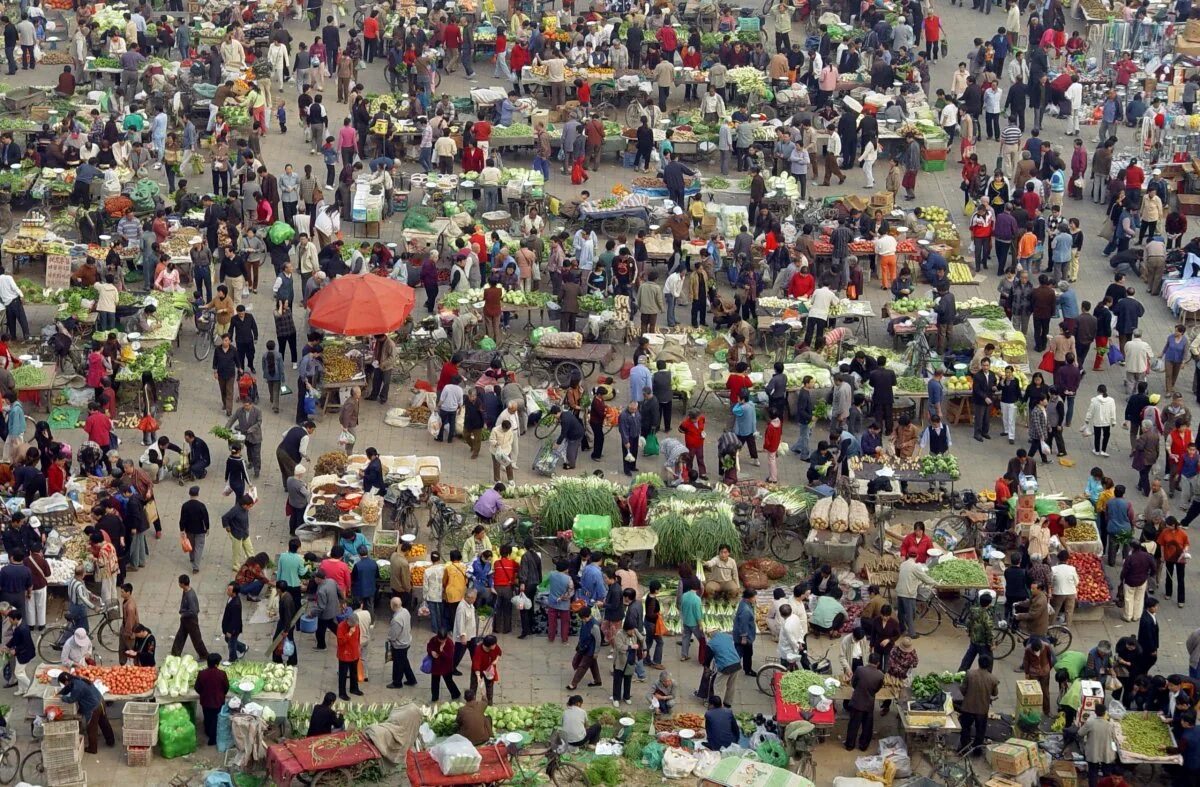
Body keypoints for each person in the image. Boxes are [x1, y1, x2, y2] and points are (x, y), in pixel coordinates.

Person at [57, 671, 115, 753]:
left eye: (63, 683)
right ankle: (111, 741)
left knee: (91, 728)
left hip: (94, 707)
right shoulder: (77, 679)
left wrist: (62, 698)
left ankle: (92, 748)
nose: (64, 685)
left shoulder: (77, 687)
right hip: (100, 701)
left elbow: (71, 699)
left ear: (66, 681)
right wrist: (60, 692)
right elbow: (68, 688)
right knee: (103, 721)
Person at [959, 653, 999, 754]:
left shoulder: (969, 674)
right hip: (982, 710)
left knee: (965, 729)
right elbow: (995, 693)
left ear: (978, 663)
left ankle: (964, 748)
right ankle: (977, 750)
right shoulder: (993, 679)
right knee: (980, 731)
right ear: (989, 665)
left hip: (968, 707)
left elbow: (963, 690)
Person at [845, 652, 885, 752]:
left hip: (857, 702)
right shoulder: (880, 675)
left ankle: (850, 745)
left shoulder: (859, 669)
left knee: (853, 725)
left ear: (868, 660)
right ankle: (863, 746)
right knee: (867, 726)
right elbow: (877, 688)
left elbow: (853, 683)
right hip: (869, 703)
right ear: (878, 663)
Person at [1079, 702, 1119, 785]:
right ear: (1105, 713)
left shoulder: (1090, 723)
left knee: (1093, 773)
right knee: (1106, 774)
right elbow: (1114, 738)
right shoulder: (1110, 724)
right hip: (1106, 753)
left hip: (1093, 752)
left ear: (1095, 712)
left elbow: (1080, 733)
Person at [195, 652, 229, 746]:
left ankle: (207, 731)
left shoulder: (202, 674)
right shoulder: (222, 674)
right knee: (215, 719)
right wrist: (222, 695)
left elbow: (197, 687)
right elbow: (226, 687)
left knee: (207, 717)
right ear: (216, 664)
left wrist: (203, 694)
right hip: (218, 701)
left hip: (205, 701)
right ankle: (213, 739)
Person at [171, 574, 208, 658]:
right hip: (185, 619)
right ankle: (175, 653)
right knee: (180, 636)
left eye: (179, 583)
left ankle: (204, 655)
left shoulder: (190, 595)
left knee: (196, 638)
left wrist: (183, 613)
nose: (179, 584)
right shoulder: (185, 591)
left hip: (191, 620)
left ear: (183, 584)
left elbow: (193, 611)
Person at [335, 613, 363, 700]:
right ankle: (342, 693)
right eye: (354, 624)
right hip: (345, 654)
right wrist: (349, 634)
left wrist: (358, 648)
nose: (355, 626)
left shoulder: (356, 625)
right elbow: (340, 642)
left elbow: (358, 637)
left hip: (354, 653)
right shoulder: (341, 627)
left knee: (354, 673)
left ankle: (354, 688)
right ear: (348, 622)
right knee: (343, 675)